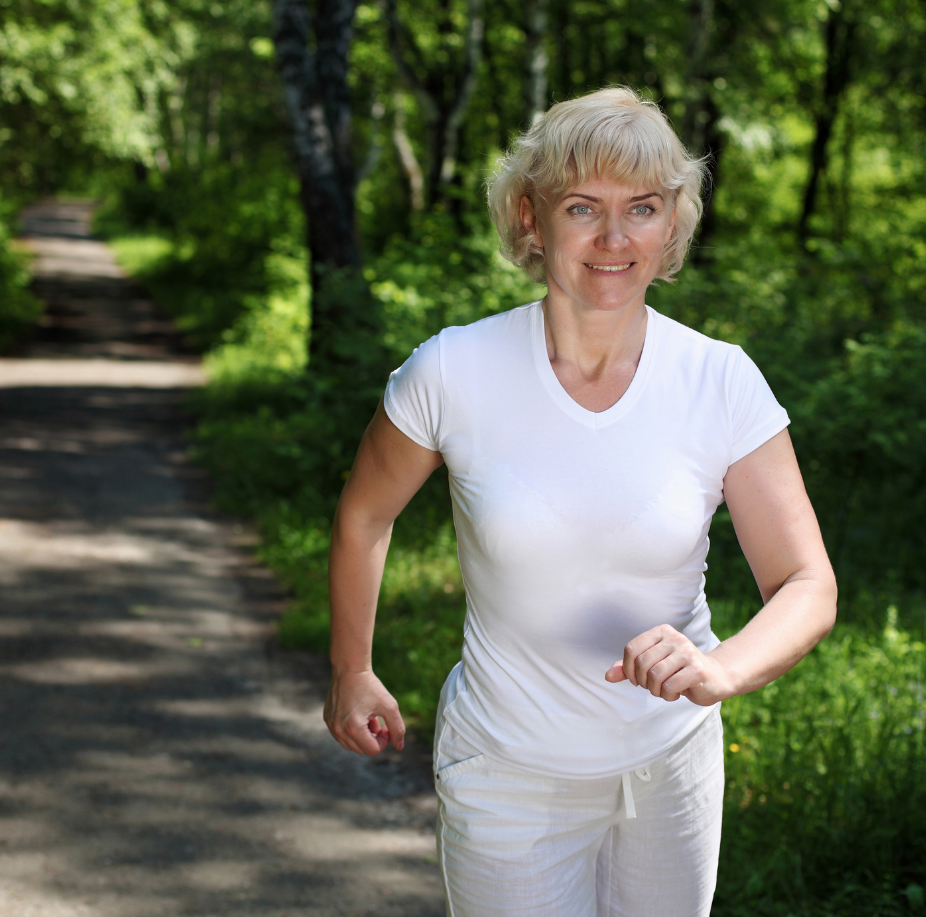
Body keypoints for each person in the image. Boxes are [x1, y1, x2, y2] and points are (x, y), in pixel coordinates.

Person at [323, 86, 837, 917]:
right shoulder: (452, 371)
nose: (612, 237)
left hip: (671, 775)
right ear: (530, 219)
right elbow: (365, 514)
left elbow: (808, 583)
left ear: (672, 223)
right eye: (580, 207)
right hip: (506, 775)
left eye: (641, 207)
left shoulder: (720, 382)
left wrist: (720, 669)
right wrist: (352, 668)